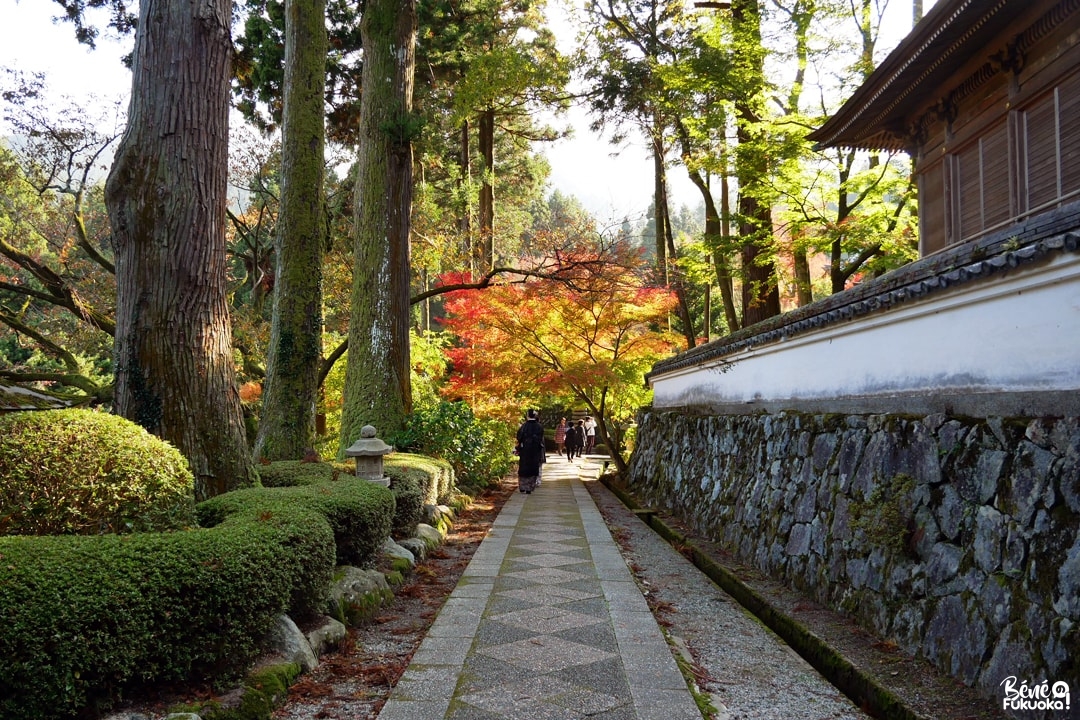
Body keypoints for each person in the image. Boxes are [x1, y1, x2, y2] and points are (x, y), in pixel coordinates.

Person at [515, 409, 544, 493]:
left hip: (525, 449)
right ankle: (530, 488)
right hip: (535, 450)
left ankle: (522, 487)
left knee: (524, 467)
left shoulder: (524, 426)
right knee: (533, 467)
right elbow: (540, 438)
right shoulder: (539, 426)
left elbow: (519, 437)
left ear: (528, 415)